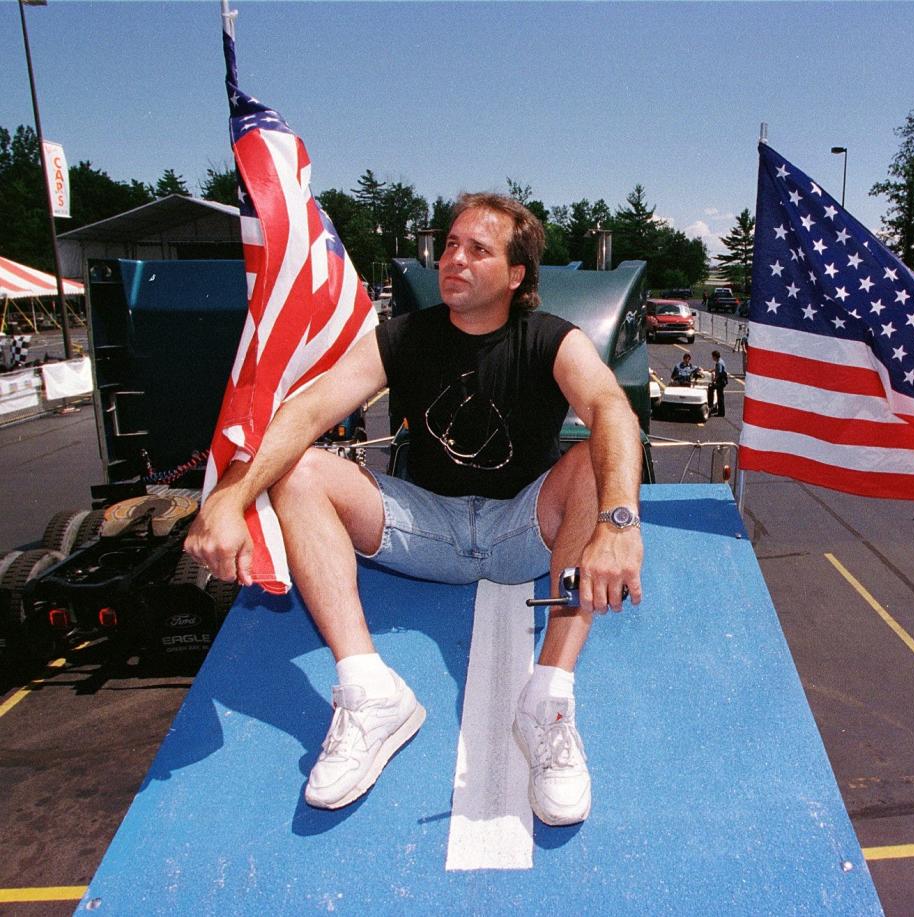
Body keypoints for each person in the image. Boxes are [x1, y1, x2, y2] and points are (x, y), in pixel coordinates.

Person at [185, 192, 644, 826]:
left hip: (521, 529)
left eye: (478, 250)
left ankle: (549, 700)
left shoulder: (550, 340)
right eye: (451, 245)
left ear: (516, 276)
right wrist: (229, 496)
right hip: (425, 526)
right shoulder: (402, 337)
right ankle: (370, 691)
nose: (455, 258)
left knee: (596, 456)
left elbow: (611, 408)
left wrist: (618, 522)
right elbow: (309, 410)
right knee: (303, 469)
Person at [708, 350, 728, 417]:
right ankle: (718, 410)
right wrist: (712, 370)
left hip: (721, 381)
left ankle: (712, 406)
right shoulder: (720, 361)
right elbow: (718, 369)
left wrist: (714, 380)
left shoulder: (719, 363)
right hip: (722, 380)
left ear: (715, 356)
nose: (712, 358)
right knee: (720, 396)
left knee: (712, 388)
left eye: (712, 356)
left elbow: (718, 374)